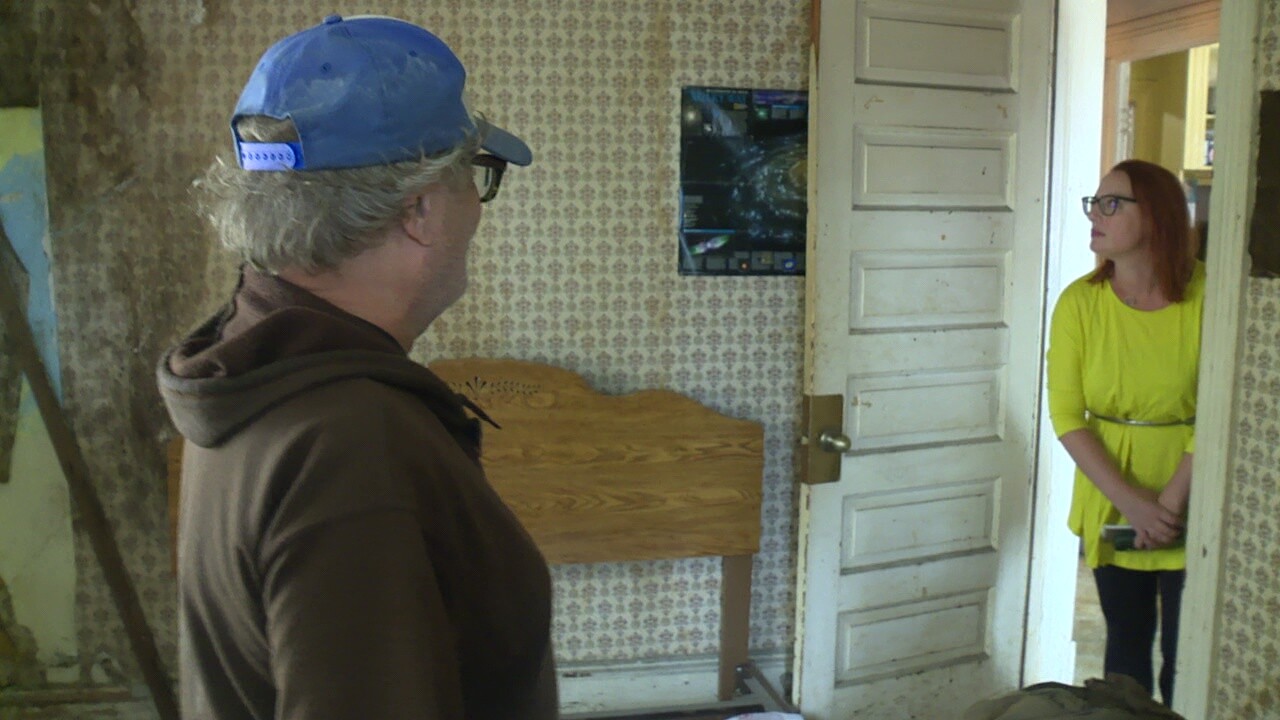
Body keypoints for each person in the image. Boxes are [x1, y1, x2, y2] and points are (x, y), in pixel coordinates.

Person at [157, 15, 556, 720]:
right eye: (477, 177)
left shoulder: (252, 370)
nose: (478, 210)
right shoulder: (349, 446)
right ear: (422, 210)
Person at [1047, 159, 1204, 707]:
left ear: (1157, 216)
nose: (1096, 214)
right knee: (1125, 654)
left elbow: (1220, 407)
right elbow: (1067, 415)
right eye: (1094, 202)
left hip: (1196, 494)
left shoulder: (1211, 298)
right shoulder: (1079, 304)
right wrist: (1133, 503)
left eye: (1113, 203)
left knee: (1190, 659)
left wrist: (1169, 503)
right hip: (1112, 497)